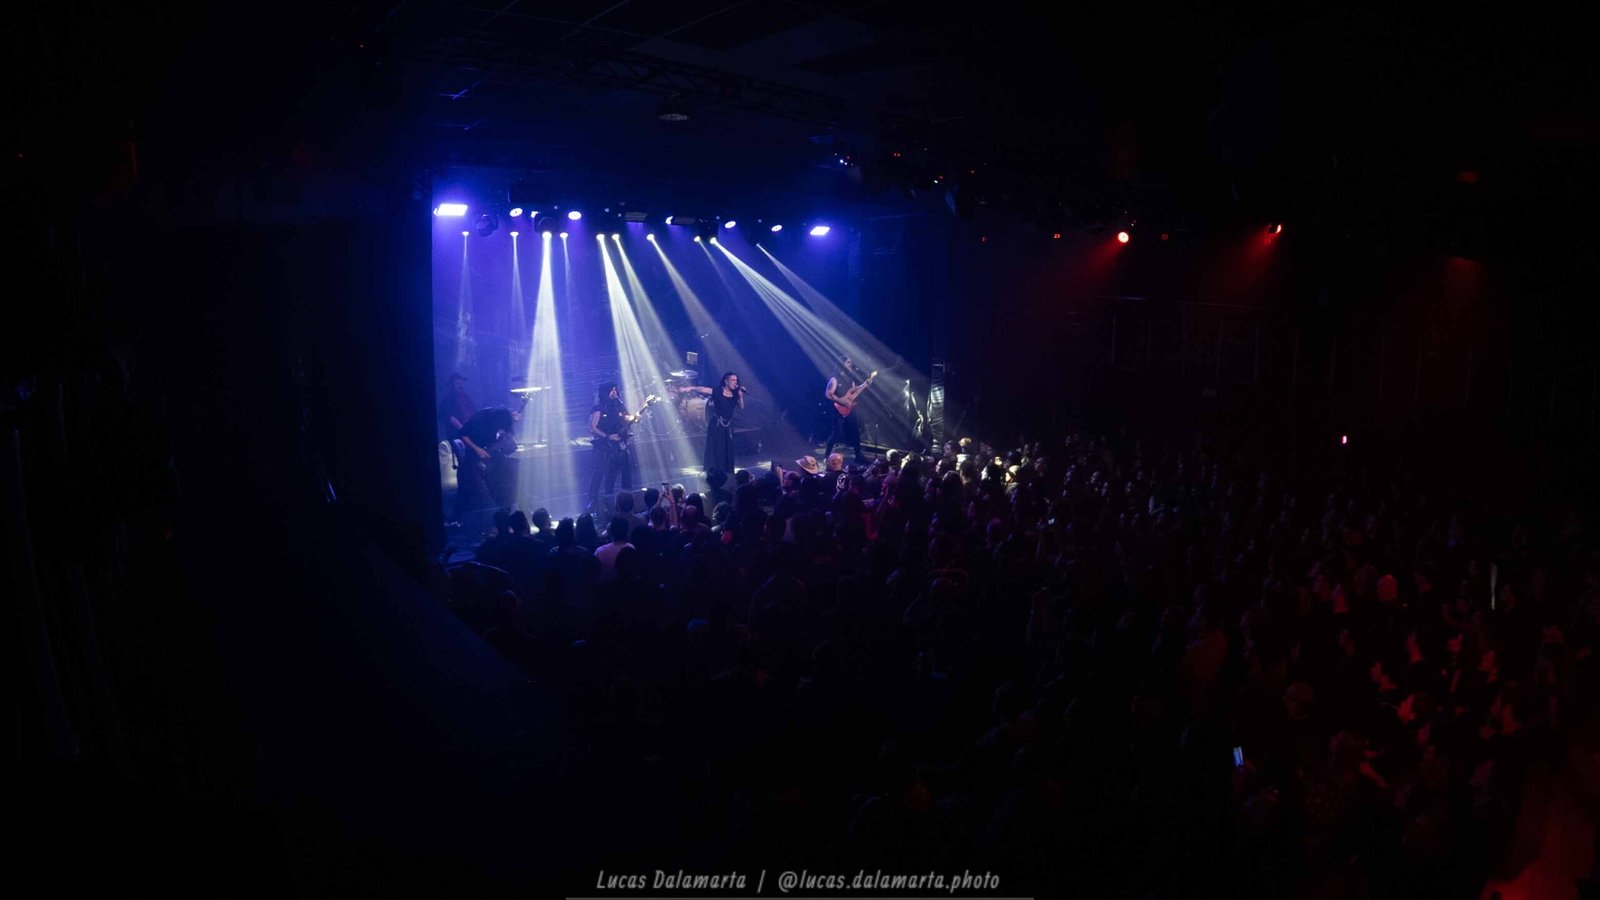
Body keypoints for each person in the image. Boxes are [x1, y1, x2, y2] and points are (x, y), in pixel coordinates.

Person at [453, 405, 518, 525]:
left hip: (487, 452)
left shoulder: (498, 421)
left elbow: (497, 440)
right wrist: (477, 449)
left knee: (507, 472)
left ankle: (506, 507)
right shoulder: (482, 419)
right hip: (472, 453)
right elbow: (463, 434)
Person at [678, 372, 743, 476]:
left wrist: (740, 395)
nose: (735, 382)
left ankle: (726, 471)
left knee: (727, 447)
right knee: (716, 447)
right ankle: (713, 471)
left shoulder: (735, 394)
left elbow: (741, 407)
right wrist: (690, 388)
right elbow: (703, 389)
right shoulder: (718, 391)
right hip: (716, 424)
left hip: (728, 425)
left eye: (736, 380)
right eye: (733, 380)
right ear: (726, 381)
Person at [588, 382, 635, 513]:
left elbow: (626, 418)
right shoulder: (599, 407)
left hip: (620, 446)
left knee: (626, 473)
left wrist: (634, 418)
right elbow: (592, 428)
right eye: (611, 390)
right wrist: (608, 436)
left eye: (615, 390)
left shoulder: (619, 405)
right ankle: (594, 504)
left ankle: (626, 504)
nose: (614, 392)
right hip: (604, 448)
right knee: (601, 475)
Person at [824, 357, 868, 463]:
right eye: (848, 362)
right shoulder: (835, 379)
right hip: (837, 409)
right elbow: (828, 394)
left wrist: (864, 385)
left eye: (851, 363)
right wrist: (841, 401)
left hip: (849, 408)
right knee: (836, 433)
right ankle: (827, 456)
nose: (850, 364)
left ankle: (858, 456)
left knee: (855, 432)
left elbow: (852, 390)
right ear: (842, 363)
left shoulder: (850, 379)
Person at [438, 372, 476, 440]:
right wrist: (462, 429)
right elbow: (449, 417)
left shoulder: (466, 397)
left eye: (461, 383)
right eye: (457, 384)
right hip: (455, 434)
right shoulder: (448, 399)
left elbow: (473, 411)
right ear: (452, 386)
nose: (460, 386)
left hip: (468, 431)